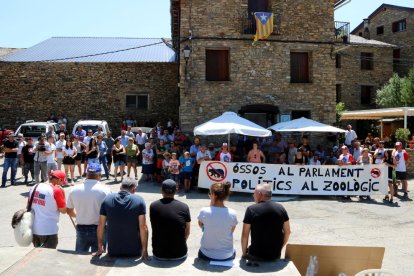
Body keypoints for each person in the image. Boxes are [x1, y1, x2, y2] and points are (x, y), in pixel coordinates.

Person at [93, 178, 149, 259]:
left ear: (121, 187)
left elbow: (101, 225)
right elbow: (143, 227)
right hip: (134, 252)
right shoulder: (139, 200)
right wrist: (145, 251)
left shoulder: (107, 199)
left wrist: (99, 247)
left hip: (113, 251)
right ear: (134, 189)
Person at [66, 163, 111, 252]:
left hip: (81, 227)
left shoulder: (74, 189)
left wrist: (79, 216)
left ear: (86, 174)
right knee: (98, 258)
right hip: (100, 228)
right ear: (99, 175)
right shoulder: (106, 190)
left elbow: (69, 211)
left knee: (79, 258)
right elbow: (110, 211)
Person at [241, 184, 290, 261]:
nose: (253, 195)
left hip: (255, 255)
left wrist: (244, 255)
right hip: (275, 256)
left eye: (254, 193)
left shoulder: (251, 209)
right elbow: (288, 232)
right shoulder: (281, 208)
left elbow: (245, 235)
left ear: (260, 194)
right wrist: (279, 249)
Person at [150, 179, 191, 260]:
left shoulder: (153, 206)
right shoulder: (184, 207)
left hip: (159, 254)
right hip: (180, 253)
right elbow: (188, 231)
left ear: (161, 190)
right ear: (176, 190)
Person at [197, 182, 238, 261]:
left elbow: (201, 226)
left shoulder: (204, 211)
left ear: (214, 195)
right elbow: (231, 231)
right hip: (227, 255)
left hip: (206, 254)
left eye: (210, 193)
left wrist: (211, 206)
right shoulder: (233, 213)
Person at [29, 170, 67, 248]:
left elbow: (29, 205)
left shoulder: (34, 186)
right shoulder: (56, 190)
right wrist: (63, 192)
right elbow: (63, 210)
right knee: (47, 257)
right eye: (62, 182)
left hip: (34, 229)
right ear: (59, 180)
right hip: (49, 230)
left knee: (36, 254)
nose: (61, 184)